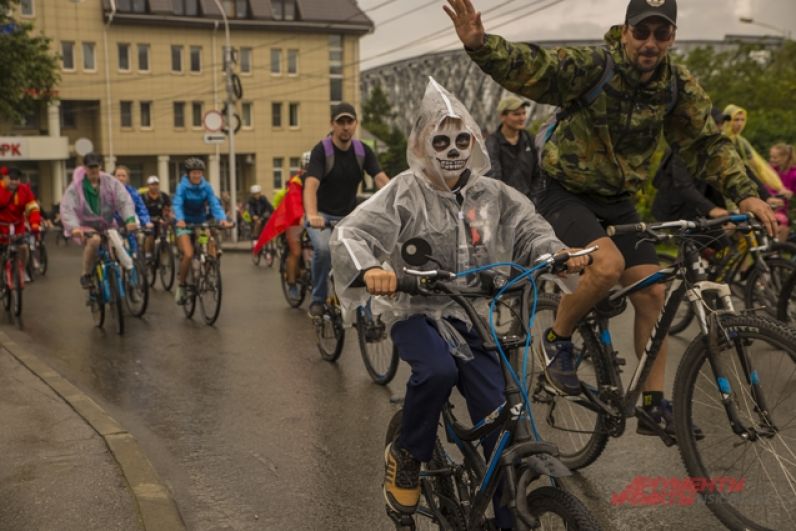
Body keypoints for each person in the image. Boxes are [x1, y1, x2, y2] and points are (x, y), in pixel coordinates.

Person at [446, 0, 775, 437]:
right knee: (608, 266)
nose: (650, 43)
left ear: (672, 37)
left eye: (661, 33)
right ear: (625, 32)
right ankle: (557, 337)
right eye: (642, 32)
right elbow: (536, 68)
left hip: (618, 198)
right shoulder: (595, 66)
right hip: (564, 190)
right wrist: (481, 45)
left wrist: (747, 194)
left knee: (653, 294)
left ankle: (654, 403)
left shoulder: (676, 85)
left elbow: (708, 145)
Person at [330, 79, 587, 526]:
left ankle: (510, 513)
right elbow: (352, 233)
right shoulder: (402, 192)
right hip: (416, 312)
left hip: (473, 313)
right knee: (437, 371)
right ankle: (408, 454)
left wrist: (555, 253)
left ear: (473, 141)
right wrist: (372, 269)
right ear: (420, 143)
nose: (452, 148)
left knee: (504, 411)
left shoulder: (492, 194)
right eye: (441, 139)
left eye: (461, 138)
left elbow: (529, 227)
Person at [303, 102, 390, 317]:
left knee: (366, 255)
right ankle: (318, 298)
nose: (345, 127)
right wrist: (312, 215)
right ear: (332, 124)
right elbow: (311, 185)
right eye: (340, 122)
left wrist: (398, 203)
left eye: (349, 121)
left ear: (355, 124)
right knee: (323, 250)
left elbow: (381, 180)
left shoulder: (362, 151)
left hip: (350, 217)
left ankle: (368, 317)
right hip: (322, 216)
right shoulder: (322, 151)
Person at [59, 152, 137, 288]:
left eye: (96, 166)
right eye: (90, 167)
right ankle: (86, 274)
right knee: (95, 240)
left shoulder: (111, 182)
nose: (93, 170)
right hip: (86, 227)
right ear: (85, 168)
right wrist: (74, 227)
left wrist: (130, 218)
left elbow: (124, 200)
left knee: (118, 245)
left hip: (107, 224)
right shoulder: (76, 186)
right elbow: (67, 208)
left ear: (100, 167)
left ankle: (126, 282)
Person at [722, 105, 791, 241]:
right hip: (721, 194)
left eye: (742, 120)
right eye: (736, 119)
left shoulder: (741, 142)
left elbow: (759, 167)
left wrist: (778, 188)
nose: (739, 124)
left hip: (737, 193)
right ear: (727, 120)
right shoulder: (720, 140)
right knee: (726, 235)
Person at [172, 158, 231, 305]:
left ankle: (208, 272)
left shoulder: (207, 187)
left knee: (210, 245)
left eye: (199, 173)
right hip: (184, 224)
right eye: (194, 173)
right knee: (188, 254)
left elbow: (214, 204)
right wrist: (179, 219)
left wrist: (222, 219)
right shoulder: (182, 187)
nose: (197, 175)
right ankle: (182, 285)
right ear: (188, 174)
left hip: (200, 222)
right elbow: (177, 204)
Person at [254, 151, 309, 300]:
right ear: (302, 167)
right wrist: (302, 217)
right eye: (307, 167)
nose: (310, 170)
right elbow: (294, 203)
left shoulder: (321, 181)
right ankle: (291, 283)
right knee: (296, 252)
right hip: (294, 222)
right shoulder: (296, 183)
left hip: (312, 221)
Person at [484, 95, 542, 202]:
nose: (522, 118)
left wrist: (533, 200)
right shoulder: (492, 143)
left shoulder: (530, 139)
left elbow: (538, 174)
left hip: (529, 204)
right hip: (504, 205)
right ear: (502, 116)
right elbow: (493, 179)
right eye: (516, 114)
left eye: (524, 113)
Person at [0, 166, 42, 279]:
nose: (14, 181)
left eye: (16, 178)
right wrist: (5, 191)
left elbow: (32, 208)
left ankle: (20, 270)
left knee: (23, 248)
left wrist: (35, 223)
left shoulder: (24, 190)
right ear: (4, 178)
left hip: (17, 227)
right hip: (1, 228)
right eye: (11, 178)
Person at [141, 175, 171, 258]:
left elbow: (168, 208)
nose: (154, 187)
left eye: (156, 184)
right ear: (148, 186)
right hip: (147, 219)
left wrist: (168, 217)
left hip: (160, 219)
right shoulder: (143, 197)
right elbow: (140, 210)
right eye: (152, 184)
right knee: (149, 234)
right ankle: (148, 253)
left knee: (164, 234)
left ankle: (165, 250)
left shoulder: (163, 196)